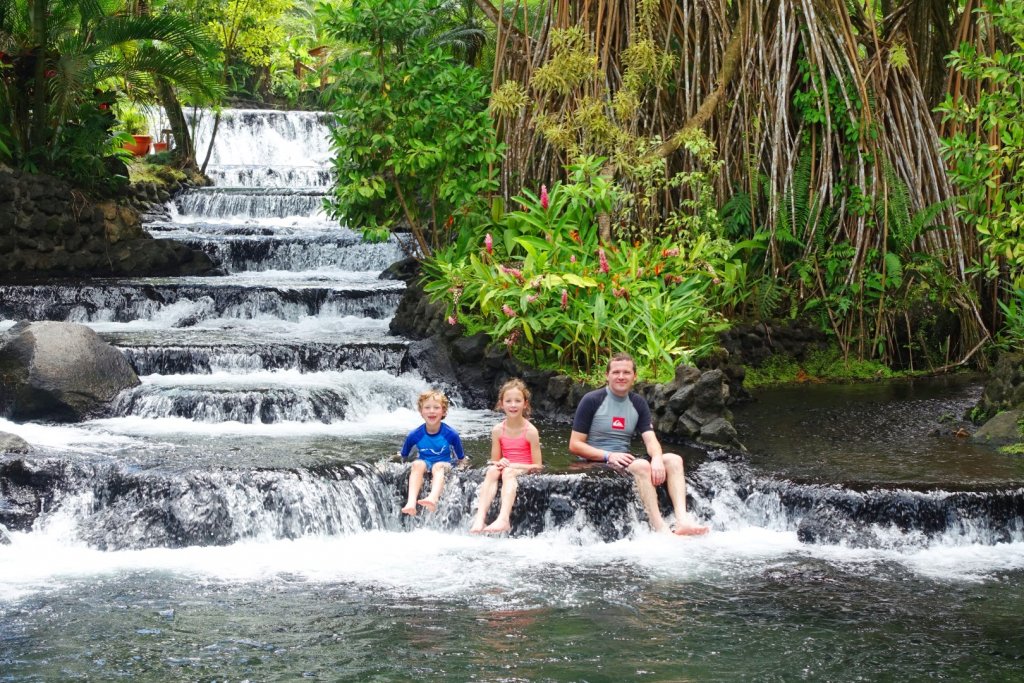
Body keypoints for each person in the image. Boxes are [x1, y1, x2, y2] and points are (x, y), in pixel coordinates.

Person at [568, 353, 709, 536]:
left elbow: (651, 440)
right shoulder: (592, 400)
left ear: (634, 376)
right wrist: (608, 455)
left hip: (624, 461)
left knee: (673, 459)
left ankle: (682, 520)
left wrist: (657, 458)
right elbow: (574, 445)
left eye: (626, 372)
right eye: (616, 372)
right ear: (607, 375)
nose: (621, 376)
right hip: (595, 462)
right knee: (642, 465)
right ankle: (660, 528)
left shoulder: (638, 403)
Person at [470, 379, 543, 534]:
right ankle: (479, 518)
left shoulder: (530, 431)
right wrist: (500, 462)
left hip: (521, 468)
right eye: (508, 401)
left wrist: (516, 466)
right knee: (492, 471)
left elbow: (538, 465)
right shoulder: (498, 430)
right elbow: (494, 460)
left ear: (525, 404)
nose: (513, 405)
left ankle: (504, 519)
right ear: (501, 404)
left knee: (508, 472)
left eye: (517, 401)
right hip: (508, 466)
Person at [398, 389, 465, 515]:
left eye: (436, 407)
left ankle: (432, 498)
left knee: (438, 466)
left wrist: (461, 467)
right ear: (421, 412)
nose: (431, 411)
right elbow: (404, 455)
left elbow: (460, 457)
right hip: (425, 462)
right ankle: (411, 502)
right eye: (427, 407)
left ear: (443, 411)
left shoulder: (451, 434)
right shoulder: (414, 435)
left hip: (444, 463)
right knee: (417, 464)